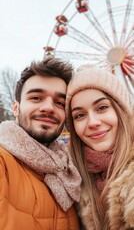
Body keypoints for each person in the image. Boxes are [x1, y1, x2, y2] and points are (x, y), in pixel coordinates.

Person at [0, 56, 82, 230]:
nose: (49, 107)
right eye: (36, 98)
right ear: (16, 108)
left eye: (59, 102)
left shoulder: (69, 170)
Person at [65, 64, 134, 230]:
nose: (93, 122)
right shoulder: (71, 182)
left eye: (102, 107)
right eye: (79, 115)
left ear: (121, 110)